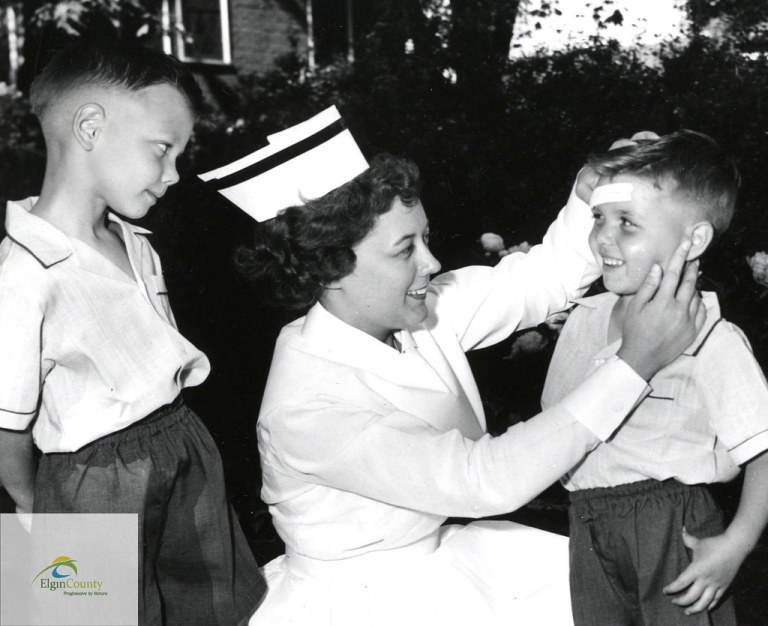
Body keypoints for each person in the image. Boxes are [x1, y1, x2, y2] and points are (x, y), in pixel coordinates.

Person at [234, 141, 703, 625]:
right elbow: (484, 480)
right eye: (405, 250)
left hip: (438, 562)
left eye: (425, 238)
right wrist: (634, 364)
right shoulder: (306, 407)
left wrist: (587, 193)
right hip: (357, 604)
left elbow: (539, 282)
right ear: (330, 268)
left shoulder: (411, 314)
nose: (431, 263)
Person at [0, 42, 264, 625]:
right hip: (91, 480)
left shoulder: (136, 241)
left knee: (211, 602)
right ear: (90, 127)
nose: (173, 175)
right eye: (163, 151)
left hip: (183, 442)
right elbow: (5, 428)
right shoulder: (23, 275)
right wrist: (38, 508)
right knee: (93, 615)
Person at [542, 129, 768, 625]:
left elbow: (764, 449)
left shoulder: (708, 333)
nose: (603, 237)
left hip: (670, 524)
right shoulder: (583, 318)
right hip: (586, 522)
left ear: (695, 239)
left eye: (628, 223)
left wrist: (736, 542)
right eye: (600, 217)